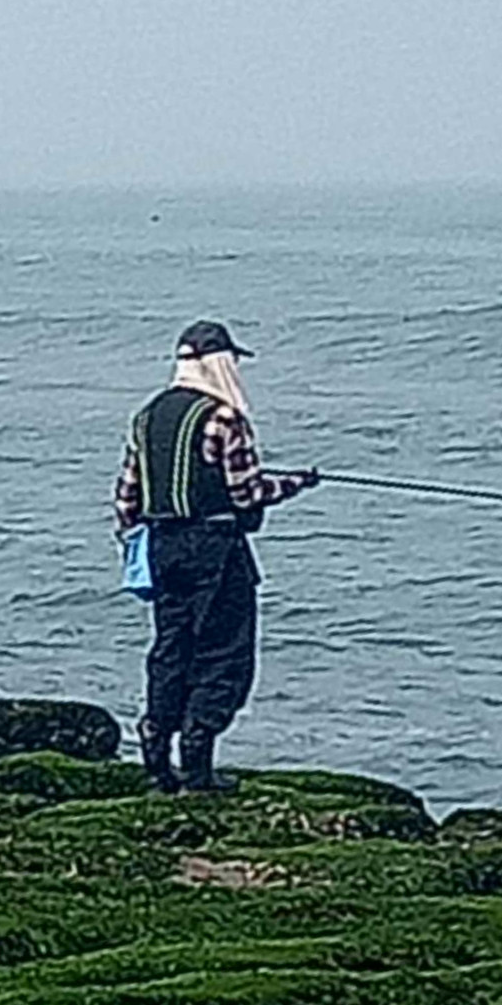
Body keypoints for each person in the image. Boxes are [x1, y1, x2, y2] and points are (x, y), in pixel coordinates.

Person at [113, 319, 319, 793]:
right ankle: (198, 766)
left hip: (163, 549)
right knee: (222, 654)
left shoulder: (146, 417)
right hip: (216, 550)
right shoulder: (224, 419)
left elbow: (126, 498)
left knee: (171, 649)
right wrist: (295, 484)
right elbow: (247, 494)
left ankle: (156, 756)